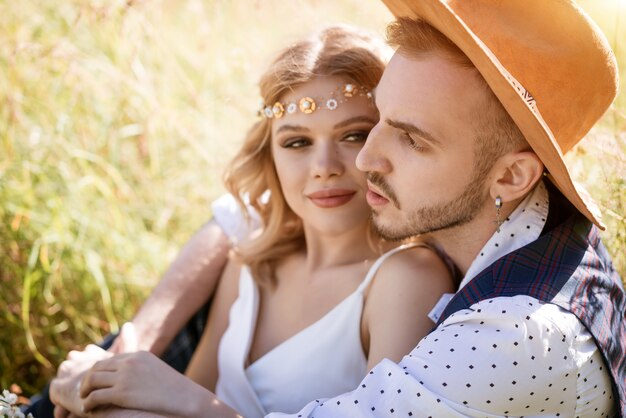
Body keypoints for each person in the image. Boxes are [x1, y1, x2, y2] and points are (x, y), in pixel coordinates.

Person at [67, 0, 626, 417]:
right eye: (377, 120)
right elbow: (243, 218)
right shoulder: (507, 224)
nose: (362, 161)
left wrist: (174, 399)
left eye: (409, 138)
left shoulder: (518, 335)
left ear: (511, 175)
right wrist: (129, 348)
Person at [49, 25, 456, 417]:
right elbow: (192, 390)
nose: (324, 167)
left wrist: (167, 398)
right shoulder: (252, 261)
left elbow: (183, 400)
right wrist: (90, 385)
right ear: (270, 156)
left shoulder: (407, 278)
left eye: (354, 136)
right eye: (297, 142)